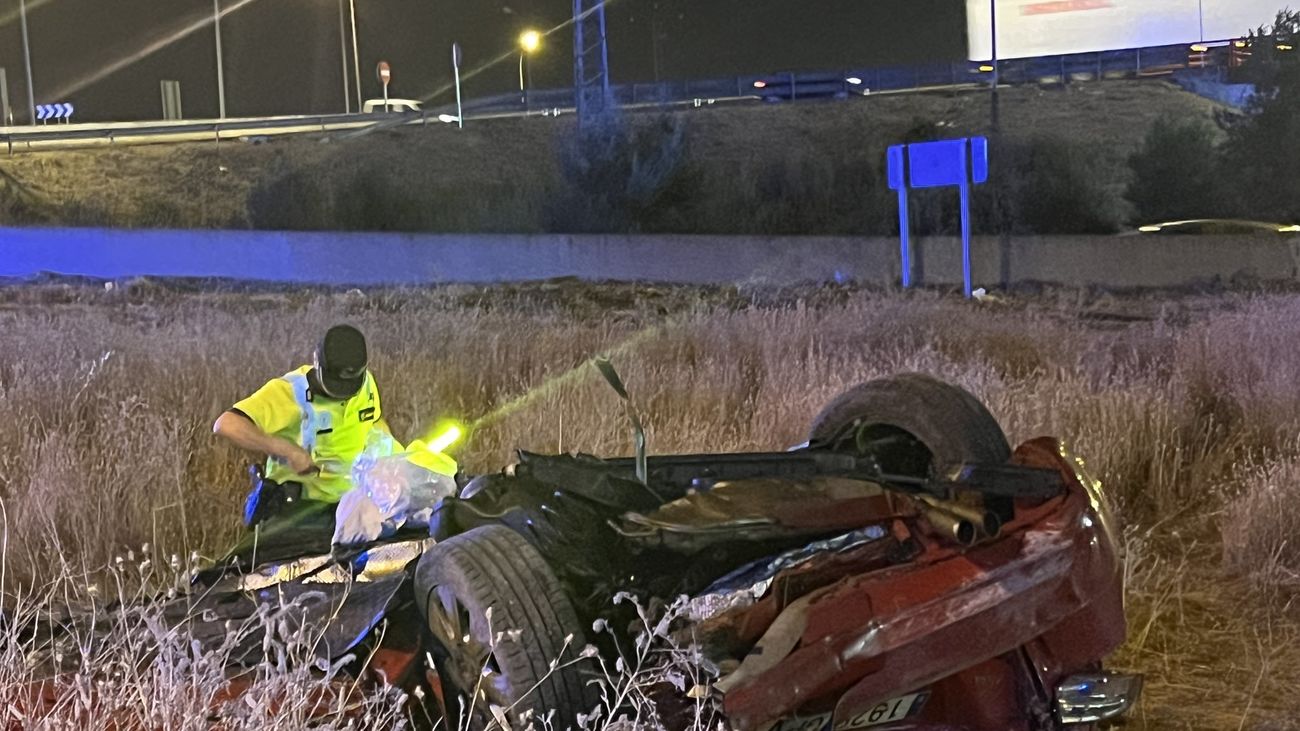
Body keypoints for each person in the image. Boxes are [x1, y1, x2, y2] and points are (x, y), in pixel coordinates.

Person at [214, 324, 391, 525]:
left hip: (351, 507)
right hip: (298, 513)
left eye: (349, 386)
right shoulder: (290, 392)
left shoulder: (365, 384)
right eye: (336, 386)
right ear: (317, 363)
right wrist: (288, 451)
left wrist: (389, 461)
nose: (343, 393)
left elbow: (374, 422)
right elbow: (226, 424)